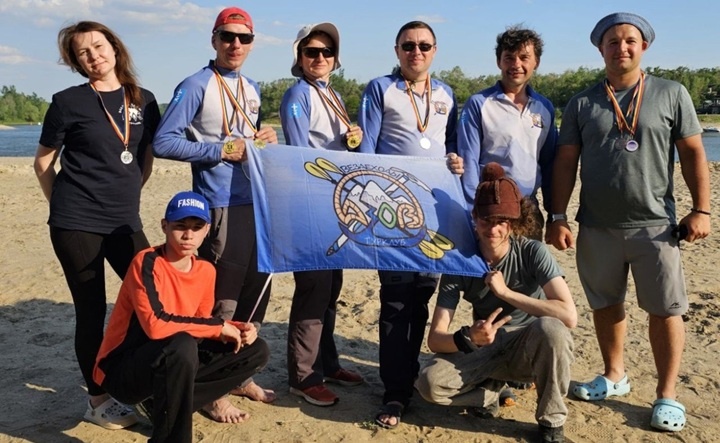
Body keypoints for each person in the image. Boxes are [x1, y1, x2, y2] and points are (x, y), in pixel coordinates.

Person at [547, 12, 711, 433]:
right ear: (600, 48)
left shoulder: (671, 93)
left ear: (644, 47)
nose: (621, 47)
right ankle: (614, 375)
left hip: (656, 226)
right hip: (596, 225)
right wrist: (558, 216)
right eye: (613, 41)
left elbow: (693, 152)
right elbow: (565, 162)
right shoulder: (583, 102)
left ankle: (667, 394)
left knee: (666, 309)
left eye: (630, 41)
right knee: (605, 304)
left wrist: (701, 209)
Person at [33, 21, 160, 429]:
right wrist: (64, 206)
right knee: (91, 311)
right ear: (76, 61)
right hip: (75, 224)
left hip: (124, 222)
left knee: (151, 297)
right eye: (82, 52)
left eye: (99, 46)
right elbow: (43, 162)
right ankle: (98, 400)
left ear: (115, 48)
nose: (94, 56)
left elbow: (144, 158)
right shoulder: (67, 102)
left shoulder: (144, 100)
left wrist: (125, 194)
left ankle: (139, 381)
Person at [153, 6, 278, 403]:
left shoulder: (252, 87)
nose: (235, 44)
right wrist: (220, 151)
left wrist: (264, 140)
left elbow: (246, 140)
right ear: (214, 40)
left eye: (244, 38)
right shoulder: (195, 85)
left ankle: (240, 373)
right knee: (222, 297)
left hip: (255, 201)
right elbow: (163, 142)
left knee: (254, 291)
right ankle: (212, 386)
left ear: (252, 43)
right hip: (219, 203)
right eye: (228, 36)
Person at [415, 162, 576, 443]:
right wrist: (469, 337)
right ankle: (489, 394)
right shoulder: (461, 263)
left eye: (501, 221)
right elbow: (436, 339)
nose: (493, 229)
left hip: (528, 349)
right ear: (474, 218)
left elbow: (569, 315)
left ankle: (551, 423)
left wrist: (506, 293)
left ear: (513, 223)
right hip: (486, 347)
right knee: (429, 384)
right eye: (486, 220)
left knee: (552, 329)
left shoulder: (532, 252)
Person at [93, 191, 270, 443]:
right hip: (122, 370)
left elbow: (201, 323)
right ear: (164, 226)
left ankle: (164, 403)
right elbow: (155, 325)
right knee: (181, 345)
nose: (188, 235)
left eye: (197, 227)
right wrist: (219, 326)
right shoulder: (146, 261)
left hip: (172, 359)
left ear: (207, 230)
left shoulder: (205, 270)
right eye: (180, 226)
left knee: (255, 349)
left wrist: (237, 328)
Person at [357, 20, 463, 429]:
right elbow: (366, 152)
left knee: (421, 297)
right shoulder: (380, 89)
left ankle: (410, 373)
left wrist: (455, 160)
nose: (416, 52)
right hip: (391, 214)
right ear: (397, 50)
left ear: (435, 50)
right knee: (396, 300)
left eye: (424, 45)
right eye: (408, 45)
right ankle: (395, 391)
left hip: (432, 213)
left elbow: (452, 146)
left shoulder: (447, 94)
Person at [280, 22, 364, 406]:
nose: (319, 57)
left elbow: (335, 147)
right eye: (311, 51)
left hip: (335, 206)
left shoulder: (333, 94)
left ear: (335, 59)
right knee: (313, 290)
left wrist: (352, 141)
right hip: (311, 205)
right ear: (299, 57)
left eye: (326, 52)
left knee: (331, 289)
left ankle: (327, 363)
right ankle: (304, 376)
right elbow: (300, 155)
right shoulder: (298, 94)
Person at [457, 26, 557, 241]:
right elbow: (468, 161)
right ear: (499, 62)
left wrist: (554, 214)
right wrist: (474, 213)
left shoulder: (545, 108)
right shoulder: (479, 104)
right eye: (509, 58)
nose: (516, 64)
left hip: (529, 208)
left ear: (536, 62)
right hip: (490, 212)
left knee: (529, 263)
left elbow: (549, 165)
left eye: (524, 57)